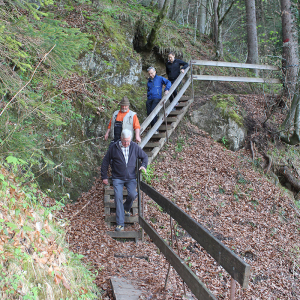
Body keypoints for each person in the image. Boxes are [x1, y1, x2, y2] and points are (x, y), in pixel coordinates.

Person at [101, 129, 148, 231]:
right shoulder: (114, 147)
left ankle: (126, 207)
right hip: (117, 178)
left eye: (128, 141)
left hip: (131, 178)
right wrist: (104, 176)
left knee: (132, 194)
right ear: (121, 139)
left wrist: (144, 166)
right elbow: (105, 161)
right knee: (118, 197)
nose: (126, 143)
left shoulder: (134, 147)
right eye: (124, 141)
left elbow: (145, 157)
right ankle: (120, 223)